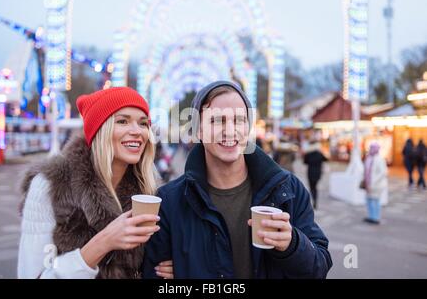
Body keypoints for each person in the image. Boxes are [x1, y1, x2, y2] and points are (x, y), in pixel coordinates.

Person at [142, 81, 332, 279]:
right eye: (217, 120)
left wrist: (292, 245)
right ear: (198, 130)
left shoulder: (287, 190)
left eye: (239, 120)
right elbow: (152, 273)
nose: (230, 130)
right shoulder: (171, 201)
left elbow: (319, 268)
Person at [18, 87, 173, 279]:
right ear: (100, 129)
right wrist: (103, 242)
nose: (137, 131)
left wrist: (169, 268)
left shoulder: (150, 183)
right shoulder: (51, 184)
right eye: (123, 121)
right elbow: (32, 275)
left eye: (143, 124)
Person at [363, 143, 388, 225]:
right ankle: (371, 216)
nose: (371, 150)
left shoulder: (379, 159)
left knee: (375, 200)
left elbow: (383, 172)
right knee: (369, 200)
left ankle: (376, 218)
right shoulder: (369, 158)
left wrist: (373, 182)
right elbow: (366, 171)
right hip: (368, 184)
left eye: (372, 148)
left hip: (376, 185)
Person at [303, 141, 328, 210]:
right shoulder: (319, 154)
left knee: (311, 187)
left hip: (310, 172)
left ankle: (313, 199)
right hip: (318, 173)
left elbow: (305, 162)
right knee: (315, 187)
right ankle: (315, 200)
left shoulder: (308, 154)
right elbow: (326, 159)